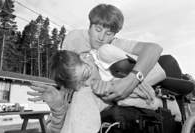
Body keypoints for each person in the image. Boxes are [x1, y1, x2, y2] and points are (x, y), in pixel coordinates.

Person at [29, 3, 163, 133]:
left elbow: (154, 49)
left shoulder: (113, 46)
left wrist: (130, 81)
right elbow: (67, 71)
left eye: (109, 33)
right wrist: (59, 103)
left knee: (88, 88)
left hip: (108, 90)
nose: (101, 37)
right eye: (98, 30)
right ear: (89, 26)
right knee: (78, 99)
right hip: (86, 96)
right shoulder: (74, 39)